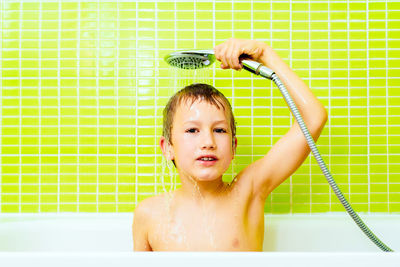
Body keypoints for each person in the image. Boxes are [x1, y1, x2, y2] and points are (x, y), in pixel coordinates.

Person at [132, 38, 328, 251]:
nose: (208, 142)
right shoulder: (149, 214)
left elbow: (313, 119)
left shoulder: (247, 192)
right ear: (167, 147)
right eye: (192, 130)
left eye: (219, 130)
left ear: (233, 147)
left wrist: (264, 54)